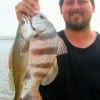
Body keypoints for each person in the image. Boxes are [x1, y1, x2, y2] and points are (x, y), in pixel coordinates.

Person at [9, 0, 100, 99]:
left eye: (82, 1)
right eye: (69, 2)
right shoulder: (44, 40)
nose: (76, 7)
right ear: (61, 9)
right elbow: (13, 66)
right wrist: (22, 27)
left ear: (93, 7)